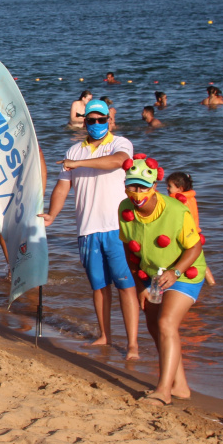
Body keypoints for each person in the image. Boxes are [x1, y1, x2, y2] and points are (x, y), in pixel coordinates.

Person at [39, 99, 140, 360]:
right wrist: (52, 214)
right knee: (99, 286)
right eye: (91, 120)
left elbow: (118, 162)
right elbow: (62, 187)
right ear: (84, 122)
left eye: (101, 120)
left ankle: (132, 345)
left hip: (117, 228)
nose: (96, 124)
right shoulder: (74, 151)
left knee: (126, 286)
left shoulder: (120, 143)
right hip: (87, 229)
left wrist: (79, 165)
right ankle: (104, 335)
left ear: (109, 120)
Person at [117, 155, 206, 405]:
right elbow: (129, 250)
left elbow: (195, 247)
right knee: (155, 326)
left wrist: (175, 272)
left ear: (154, 187)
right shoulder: (124, 209)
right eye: (131, 186)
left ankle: (163, 391)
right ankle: (181, 387)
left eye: (142, 187)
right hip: (152, 274)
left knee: (167, 323)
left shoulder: (177, 211)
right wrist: (141, 286)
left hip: (184, 271)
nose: (136, 193)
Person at [166, 172, 214, 285]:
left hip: (186, 236)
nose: (167, 188)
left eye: (170, 186)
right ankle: (212, 283)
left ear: (180, 188)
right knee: (200, 260)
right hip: (196, 234)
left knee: (185, 259)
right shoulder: (191, 198)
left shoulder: (178, 201)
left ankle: (182, 282)